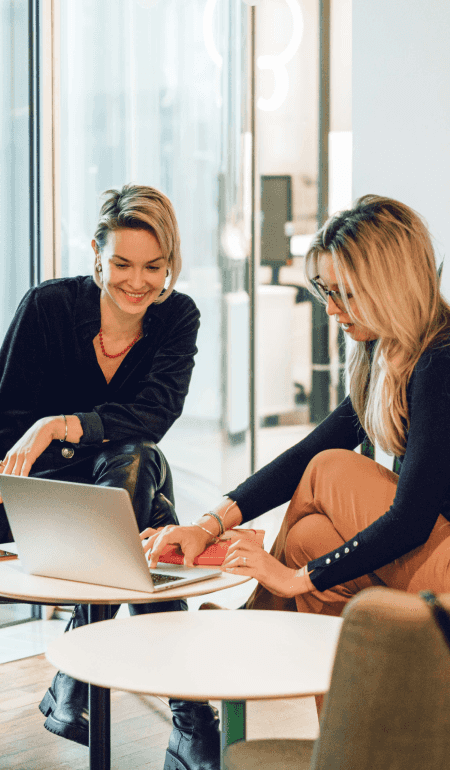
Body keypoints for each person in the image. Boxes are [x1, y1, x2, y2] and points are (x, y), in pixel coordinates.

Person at [144, 193, 450, 664]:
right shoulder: (387, 358)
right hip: (431, 558)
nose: (330, 309)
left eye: (344, 293)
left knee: (331, 469)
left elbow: (410, 521)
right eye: (326, 291)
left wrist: (291, 578)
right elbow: (311, 445)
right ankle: (340, 733)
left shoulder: (440, 362)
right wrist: (209, 525)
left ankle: (253, 621)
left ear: (390, 285)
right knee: (309, 537)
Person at [0, 184, 220, 770]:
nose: (137, 282)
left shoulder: (177, 317)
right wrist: (63, 441)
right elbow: (8, 427)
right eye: (121, 263)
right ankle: (190, 717)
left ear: (170, 264)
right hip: (35, 494)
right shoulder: (48, 307)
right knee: (145, 487)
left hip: (115, 486)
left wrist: (62, 424)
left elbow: (157, 410)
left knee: (140, 460)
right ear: (96, 256)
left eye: (154, 266)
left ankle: (77, 673)